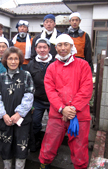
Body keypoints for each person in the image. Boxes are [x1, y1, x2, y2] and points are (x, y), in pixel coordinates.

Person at [39, 34, 93, 169]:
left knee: (80, 146)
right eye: (59, 45)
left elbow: (86, 89)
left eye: (66, 44)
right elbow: (50, 91)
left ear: (71, 46)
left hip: (79, 114)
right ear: (55, 48)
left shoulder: (83, 65)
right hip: (58, 113)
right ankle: (44, 163)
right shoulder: (51, 68)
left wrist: (72, 109)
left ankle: (80, 167)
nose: (63, 48)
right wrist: (62, 108)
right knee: (50, 142)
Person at [0, 47, 34, 169]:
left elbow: (29, 96)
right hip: (5, 119)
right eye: (10, 58)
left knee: (21, 143)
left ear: (20, 60)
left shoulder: (26, 75)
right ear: (5, 60)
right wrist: (4, 115)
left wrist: (19, 113)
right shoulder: (0, 78)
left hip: (22, 118)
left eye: (16, 59)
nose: (13, 62)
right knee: (6, 144)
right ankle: (7, 166)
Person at [26, 38, 54, 151]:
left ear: (49, 49)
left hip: (53, 101)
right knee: (35, 123)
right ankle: (36, 142)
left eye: (44, 47)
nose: (42, 50)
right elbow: (27, 83)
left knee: (53, 125)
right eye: (39, 47)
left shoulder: (55, 63)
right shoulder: (31, 64)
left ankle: (51, 146)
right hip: (37, 100)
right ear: (35, 49)